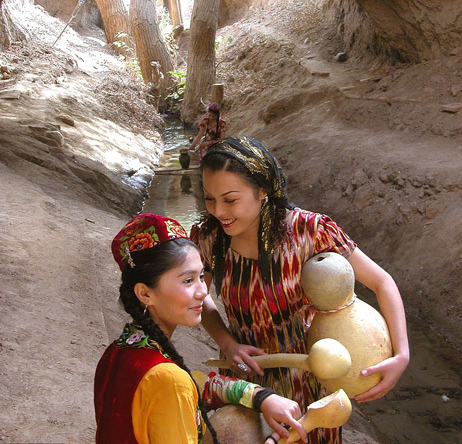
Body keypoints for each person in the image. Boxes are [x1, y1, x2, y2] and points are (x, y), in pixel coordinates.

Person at [190, 134, 410, 444]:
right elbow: (198, 297)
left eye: (230, 200)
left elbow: (381, 282)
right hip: (247, 386)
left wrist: (402, 354)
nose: (218, 210)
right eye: (209, 198)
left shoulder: (310, 231)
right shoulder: (208, 237)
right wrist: (228, 344)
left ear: (262, 190)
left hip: (311, 385)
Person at [94, 213, 308, 444]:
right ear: (145, 293)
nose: (203, 291)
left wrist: (260, 396)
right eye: (188, 280)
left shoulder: (118, 351)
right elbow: (178, 385)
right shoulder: (169, 380)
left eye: (201, 276)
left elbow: (197, 384)